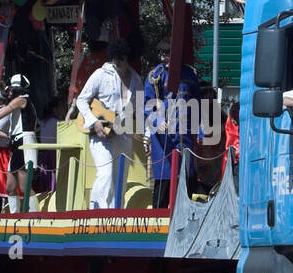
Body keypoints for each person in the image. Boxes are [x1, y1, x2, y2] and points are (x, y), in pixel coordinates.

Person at [76, 38, 142, 210]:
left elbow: (141, 110)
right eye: (115, 57)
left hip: (123, 133)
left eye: (121, 57)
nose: (117, 61)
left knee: (120, 176)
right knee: (105, 174)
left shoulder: (137, 80)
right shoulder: (100, 74)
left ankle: (116, 213)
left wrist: (147, 135)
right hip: (100, 133)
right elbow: (81, 100)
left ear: (129, 58)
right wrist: (94, 122)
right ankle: (98, 213)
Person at [143, 38, 202, 209]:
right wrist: (158, 121)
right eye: (161, 54)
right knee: (164, 179)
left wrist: (200, 131)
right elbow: (147, 105)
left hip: (185, 133)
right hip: (164, 137)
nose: (163, 58)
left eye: (167, 54)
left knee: (185, 177)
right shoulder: (155, 76)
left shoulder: (190, 74)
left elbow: (197, 103)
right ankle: (158, 221)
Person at [0, 74, 37, 212]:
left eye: (11, 90)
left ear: (18, 89)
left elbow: (3, 113)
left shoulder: (21, 100)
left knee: (25, 186)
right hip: (16, 142)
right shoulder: (18, 102)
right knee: (10, 188)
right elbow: (11, 130)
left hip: (25, 142)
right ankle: (14, 216)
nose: (9, 93)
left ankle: (34, 216)